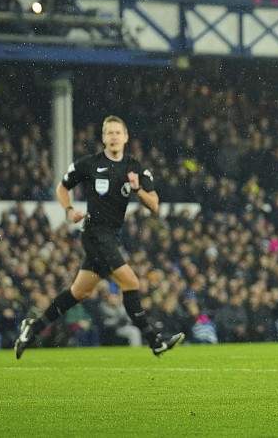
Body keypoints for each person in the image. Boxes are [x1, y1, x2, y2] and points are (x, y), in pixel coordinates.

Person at [14, 115, 184, 358]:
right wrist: (69, 210)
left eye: (118, 133)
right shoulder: (90, 164)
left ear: (126, 138)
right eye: (109, 133)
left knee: (79, 292)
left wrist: (136, 189)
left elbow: (155, 205)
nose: (114, 137)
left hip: (112, 236)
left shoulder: (135, 168)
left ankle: (34, 327)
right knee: (131, 283)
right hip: (94, 234)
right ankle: (154, 341)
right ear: (103, 138)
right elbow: (62, 187)